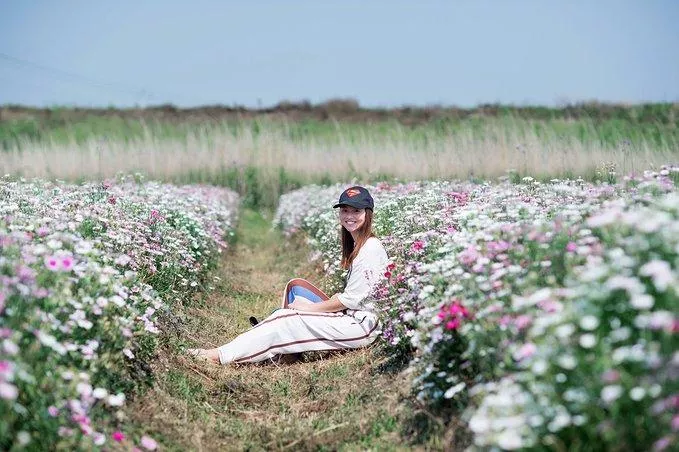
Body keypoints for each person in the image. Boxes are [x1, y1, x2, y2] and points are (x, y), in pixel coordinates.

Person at [187, 185, 389, 364]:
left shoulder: (370, 249)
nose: (349, 216)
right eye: (345, 210)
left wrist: (311, 308)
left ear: (368, 213)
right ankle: (281, 345)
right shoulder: (360, 245)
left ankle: (218, 355)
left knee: (286, 319)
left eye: (356, 211)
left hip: (362, 326)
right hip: (352, 315)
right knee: (296, 288)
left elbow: (349, 301)